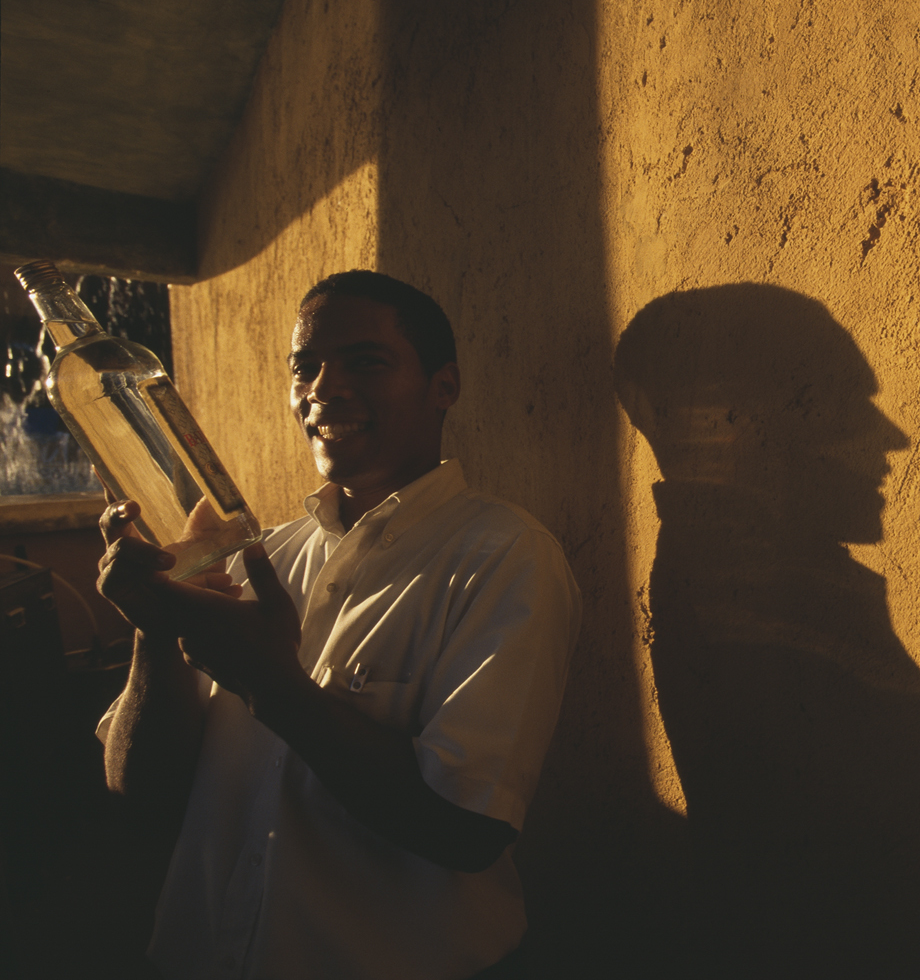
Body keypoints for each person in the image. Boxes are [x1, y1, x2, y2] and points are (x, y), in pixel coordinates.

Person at [96, 271, 581, 979]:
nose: (321, 387)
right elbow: (135, 787)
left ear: (443, 386)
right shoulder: (253, 555)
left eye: (366, 361)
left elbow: (466, 829)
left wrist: (273, 684)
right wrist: (153, 630)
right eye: (304, 367)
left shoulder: (504, 559)